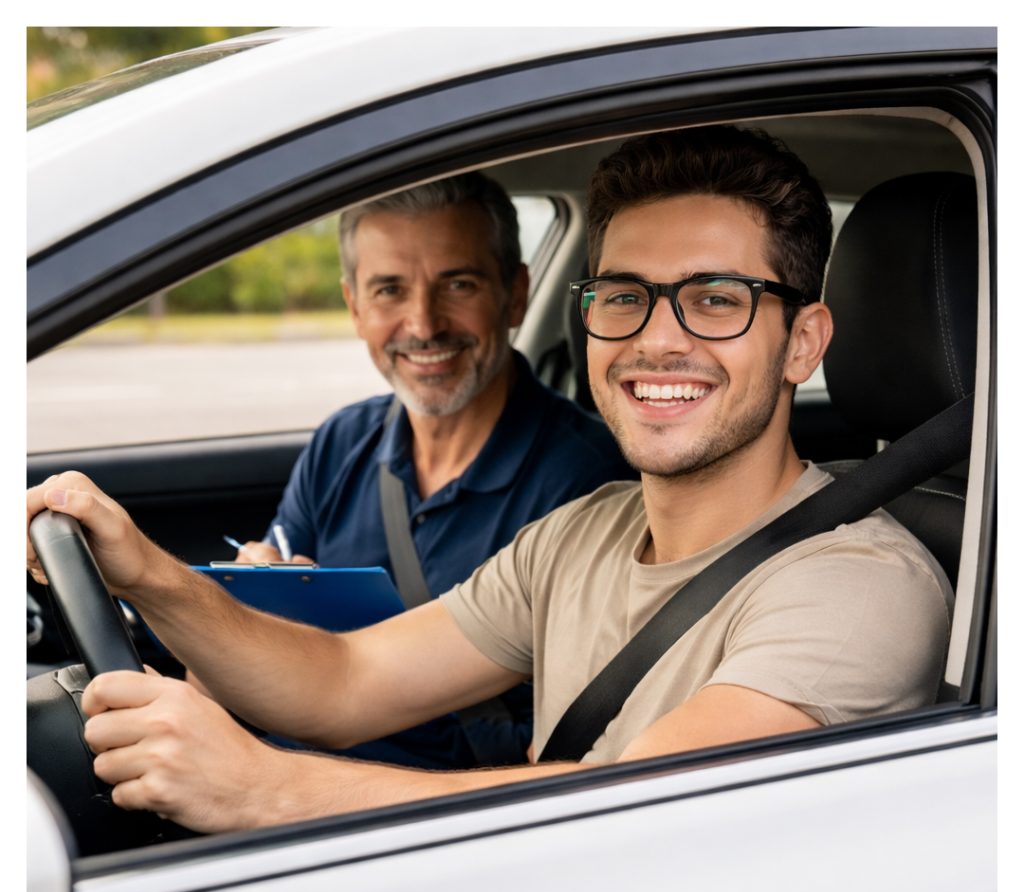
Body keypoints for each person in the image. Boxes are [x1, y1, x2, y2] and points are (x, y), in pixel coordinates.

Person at [27, 126, 952, 835]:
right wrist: (147, 572)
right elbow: (346, 678)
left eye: (716, 298)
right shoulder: (582, 531)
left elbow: (637, 810)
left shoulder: (861, 583)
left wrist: (261, 788)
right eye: (624, 295)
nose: (656, 338)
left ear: (803, 342)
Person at [214, 172, 634, 769]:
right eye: (389, 290)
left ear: (515, 294)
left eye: (457, 284)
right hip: (283, 761)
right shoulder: (341, 443)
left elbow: (567, 742)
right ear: (354, 307)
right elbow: (266, 611)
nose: (423, 324)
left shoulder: (591, 481)